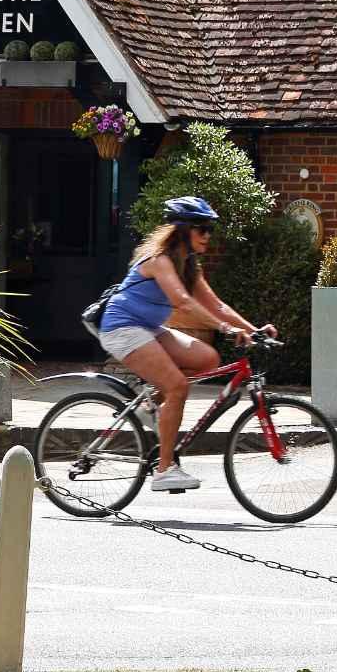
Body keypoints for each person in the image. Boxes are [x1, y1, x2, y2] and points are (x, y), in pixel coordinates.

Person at [97, 196, 275, 492]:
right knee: (178, 386)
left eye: (209, 229)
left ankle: (149, 402)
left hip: (149, 328)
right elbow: (182, 301)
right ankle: (165, 470)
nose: (207, 235)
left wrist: (254, 330)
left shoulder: (189, 266)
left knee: (207, 359)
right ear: (181, 230)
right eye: (201, 229)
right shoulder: (159, 260)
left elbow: (217, 306)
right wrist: (226, 329)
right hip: (122, 328)